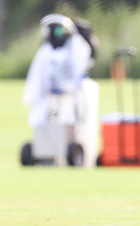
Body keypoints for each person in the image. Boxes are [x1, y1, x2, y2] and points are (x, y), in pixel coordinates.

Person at [22, 14, 99, 165]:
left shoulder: (76, 47)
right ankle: (46, 151)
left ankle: (64, 151)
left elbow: (76, 70)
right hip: (51, 96)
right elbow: (39, 77)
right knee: (49, 117)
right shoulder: (47, 51)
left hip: (71, 94)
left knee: (69, 120)